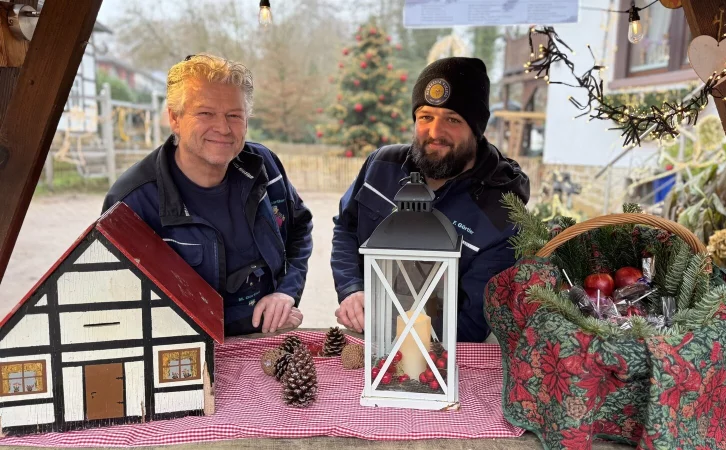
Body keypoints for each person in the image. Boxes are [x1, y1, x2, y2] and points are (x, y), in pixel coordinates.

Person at [103, 53, 313, 336]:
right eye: (205, 113)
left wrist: (286, 292)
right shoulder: (131, 202)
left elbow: (300, 228)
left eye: (234, 115)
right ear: (174, 118)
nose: (223, 128)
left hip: (266, 339)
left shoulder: (265, 166)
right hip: (184, 350)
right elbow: (123, 302)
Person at [330, 57, 531, 342]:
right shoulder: (380, 166)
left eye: (452, 119)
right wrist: (352, 289)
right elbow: (346, 229)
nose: (435, 132)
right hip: (365, 338)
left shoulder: (500, 212)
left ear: (477, 128)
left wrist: (398, 335)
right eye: (426, 117)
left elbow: (473, 322)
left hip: (441, 353)